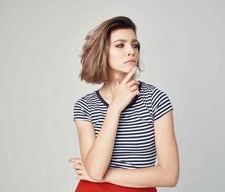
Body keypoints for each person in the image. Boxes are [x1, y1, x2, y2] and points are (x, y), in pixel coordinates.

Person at [68, 16, 180, 192]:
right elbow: (95, 170)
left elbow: (169, 175)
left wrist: (106, 175)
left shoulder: (156, 99)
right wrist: (115, 108)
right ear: (102, 52)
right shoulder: (85, 106)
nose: (131, 51)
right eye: (120, 45)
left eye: (135, 45)